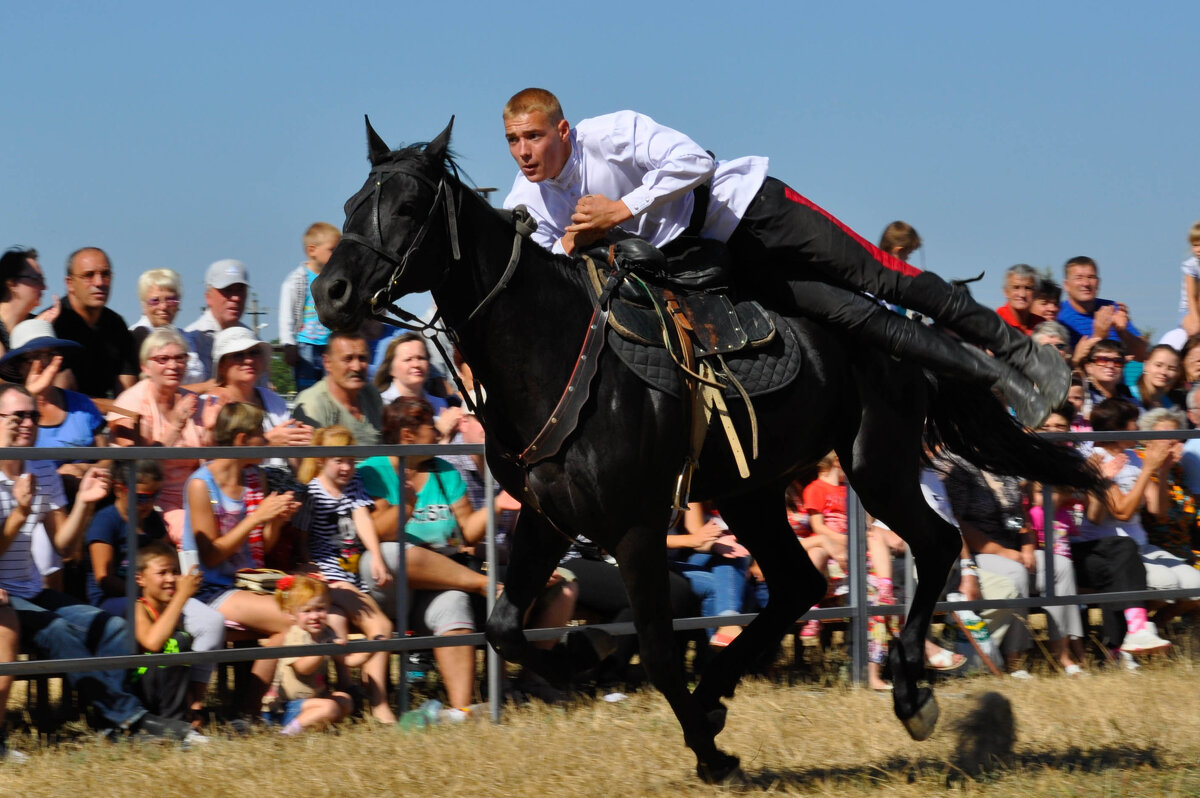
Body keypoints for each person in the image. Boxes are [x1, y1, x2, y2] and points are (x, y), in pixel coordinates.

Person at [500, 88, 1068, 426]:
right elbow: (538, 271)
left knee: (885, 276)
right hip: (717, 261)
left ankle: (1025, 353)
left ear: (563, 130)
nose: (524, 152)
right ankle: (1003, 382)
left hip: (751, 208)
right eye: (513, 141)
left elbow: (694, 161)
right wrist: (567, 247)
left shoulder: (612, 133)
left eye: (533, 136)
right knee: (860, 319)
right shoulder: (525, 198)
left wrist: (619, 210)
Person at [0, 383, 197, 740]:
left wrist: (85, 504)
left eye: (32, 415)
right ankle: (129, 720)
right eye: (17, 417)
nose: (28, 423)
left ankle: (111, 723)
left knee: (112, 627)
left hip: (31, 589)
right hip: (4, 598)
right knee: (59, 631)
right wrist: (18, 514)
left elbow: (63, 547)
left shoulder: (40, 466)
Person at [356, 396, 490, 710]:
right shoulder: (372, 470)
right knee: (392, 551)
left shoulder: (445, 471)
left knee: (454, 603)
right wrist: (406, 504)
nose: (437, 431)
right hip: (385, 587)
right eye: (430, 425)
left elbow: (466, 531)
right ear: (408, 436)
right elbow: (375, 533)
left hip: (436, 579)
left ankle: (461, 711)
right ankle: (482, 583)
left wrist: (497, 506)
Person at [180, 402, 301, 712]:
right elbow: (210, 556)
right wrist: (256, 517)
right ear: (241, 440)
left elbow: (264, 546)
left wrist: (275, 519)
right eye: (261, 434)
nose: (266, 441)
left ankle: (246, 709)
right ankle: (246, 711)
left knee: (298, 618)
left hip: (249, 581)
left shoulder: (253, 478)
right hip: (211, 586)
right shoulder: (200, 485)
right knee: (293, 620)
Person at [943, 452, 1085, 676]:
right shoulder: (960, 468)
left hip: (1013, 549)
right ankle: (1014, 661)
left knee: (1060, 566)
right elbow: (955, 521)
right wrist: (1002, 552)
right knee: (1015, 572)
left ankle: (1062, 655)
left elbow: (1021, 514)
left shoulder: (1005, 463)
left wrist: (1028, 546)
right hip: (976, 553)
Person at [295, 426, 396, 724]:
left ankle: (351, 689)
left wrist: (376, 556)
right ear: (321, 460)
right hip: (326, 577)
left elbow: (362, 517)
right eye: (338, 460)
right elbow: (301, 540)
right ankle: (374, 700)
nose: (346, 467)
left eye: (351, 460)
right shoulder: (311, 492)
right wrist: (309, 568)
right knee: (381, 624)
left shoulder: (353, 487)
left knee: (337, 619)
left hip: (349, 575)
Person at [1084, 399, 1200, 617]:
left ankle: (1153, 630)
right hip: (1112, 549)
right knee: (1167, 583)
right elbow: (1122, 512)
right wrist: (1148, 469)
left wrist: (1163, 470)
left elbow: (1159, 510)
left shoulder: (1134, 458)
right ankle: (1132, 630)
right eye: (1133, 423)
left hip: (1141, 545)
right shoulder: (1098, 459)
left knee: (1196, 585)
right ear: (1117, 428)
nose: (1138, 428)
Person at [109, 328, 218, 544]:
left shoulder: (194, 402)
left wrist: (213, 430)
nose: (173, 366)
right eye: (163, 359)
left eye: (180, 358)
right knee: (201, 530)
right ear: (145, 366)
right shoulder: (132, 404)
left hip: (200, 494)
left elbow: (212, 460)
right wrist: (176, 425)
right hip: (153, 500)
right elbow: (138, 470)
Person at [131, 540, 225, 726]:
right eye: (162, 572)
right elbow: (152, 643)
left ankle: (184, 716)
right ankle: (175, 723)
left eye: (175, 572)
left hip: (168, 696)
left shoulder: (173, 613)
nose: (171, 579)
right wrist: (182, 596)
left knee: (181, 641)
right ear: (140, 579)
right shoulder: (137, 609)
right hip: (142, 692)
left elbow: (180, 670)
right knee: (179, 640)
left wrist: (190, 707)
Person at [262, 574, 354, 734]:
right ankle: (286, 733)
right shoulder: (296, 635)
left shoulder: (326, 633)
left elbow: (349, 660)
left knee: (345, 700)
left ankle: (314, 727)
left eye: (320, 609)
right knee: (329, 707)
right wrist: (324, 649)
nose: (315, 616)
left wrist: (374, 648)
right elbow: (303, 668)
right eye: (307, 611)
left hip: (311, 700)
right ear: (291, 614)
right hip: (285, 706)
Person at [207, 326, 313, 459]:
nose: (249, 360)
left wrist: (299, 438)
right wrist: (267, 441)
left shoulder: (272, 399)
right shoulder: (209, 405)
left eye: (254, 352)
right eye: (238, 355)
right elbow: (216, 464)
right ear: (221, 366)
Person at [1137, 407, 1200, 625]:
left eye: (1174, 436)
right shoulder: (1141, 463)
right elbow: (1159, 516)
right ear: (1146, 439)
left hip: (1183, 549)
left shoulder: (1178, 470)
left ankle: (1158, 628)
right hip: (1157, 550)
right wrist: (1162, 471)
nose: (1171, 441)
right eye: (1164, 435)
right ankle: (1140, 628)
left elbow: (1192, 512)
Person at [52, 247, 139, 399]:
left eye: (105, 274)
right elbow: (58, 398)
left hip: (109, 417)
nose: (99, 282)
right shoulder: (53, 324)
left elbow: (127, 393)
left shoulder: (116, 325)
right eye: (88, 275)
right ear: (70, 283)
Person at [85, 460, 170, 615]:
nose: (149, 504)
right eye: (141, 497)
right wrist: (146, 593)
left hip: (152, 592)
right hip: (111, 600)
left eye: (155, 495)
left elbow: (167, 555)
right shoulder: (106, 521)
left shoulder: (152, 519)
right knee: (145, 609)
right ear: (119, 490)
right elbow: (104, 579)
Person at [668, 502, 752, 649]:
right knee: (718, 585)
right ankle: (726, 627)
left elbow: (699, 537)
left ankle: (725, 628)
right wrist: (692, 540)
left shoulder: (683, 490)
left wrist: (716, 543)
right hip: (654, 566)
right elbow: (644, 540)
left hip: (682, 560)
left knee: (732, 553)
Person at [292, 331, 384, 445]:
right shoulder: (312, 404)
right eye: (348, 359)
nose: (357, 367)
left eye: (362, 358)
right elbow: (310, 461)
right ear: (327, 362)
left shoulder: (371, 394)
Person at [280, 223, 340, 390]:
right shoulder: (297, 279)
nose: (337, 255)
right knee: (306, 390)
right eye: (332, 250)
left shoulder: (336, 279)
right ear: (312, 250)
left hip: (330, 345)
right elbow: (287, 315)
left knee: (331, 390)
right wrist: (288, 344)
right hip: (305, 344)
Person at [1056, 256, 1147, 362]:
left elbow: (1143, 355)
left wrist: (1123, 332)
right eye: (1079, 278)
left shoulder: (1112, 309)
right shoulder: (1058, 315)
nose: (1086, 283)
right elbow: (1062, 366)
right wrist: (1098, 336)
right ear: (1066, 285)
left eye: (1091, 277)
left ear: (1098, 282)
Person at [128, 268, 205, 384]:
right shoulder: (134, 337)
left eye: (170, 300)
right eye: (155, 301)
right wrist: (205, 387)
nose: (163, 307)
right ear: (143, 305)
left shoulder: (187, 338)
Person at [184, 259, 251, 382]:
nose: (236, 297)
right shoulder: (191, 339)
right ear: (208, 297)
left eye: (240, 290)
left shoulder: (252, 340)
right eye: (227, 290)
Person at [0, 247, 58, 357]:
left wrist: (38, 329)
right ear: (12, 283)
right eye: (36, 278)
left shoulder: (36, 321)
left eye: (43, 280)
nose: (44, 287)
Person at [1127, 344, 1185, 413]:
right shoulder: (1128, 397)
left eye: (1171, 368)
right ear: (1146, 365)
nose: (1164, 372)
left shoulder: (1171, 406)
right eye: (1158, 365)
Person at [996, 264, 1044, 335]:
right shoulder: (996, 321)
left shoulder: (1041, 326)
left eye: (1028, 288)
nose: (1022, 294)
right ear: (1006, 292)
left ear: (1036, 293)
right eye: (1016, 287)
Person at [1177, 221, 1200, 336]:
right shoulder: (1191, 265)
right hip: (1188, 310)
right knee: (1194, 330)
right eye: (1195, 245)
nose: (1198, 249)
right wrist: (1196, 321)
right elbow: (1191, 297)